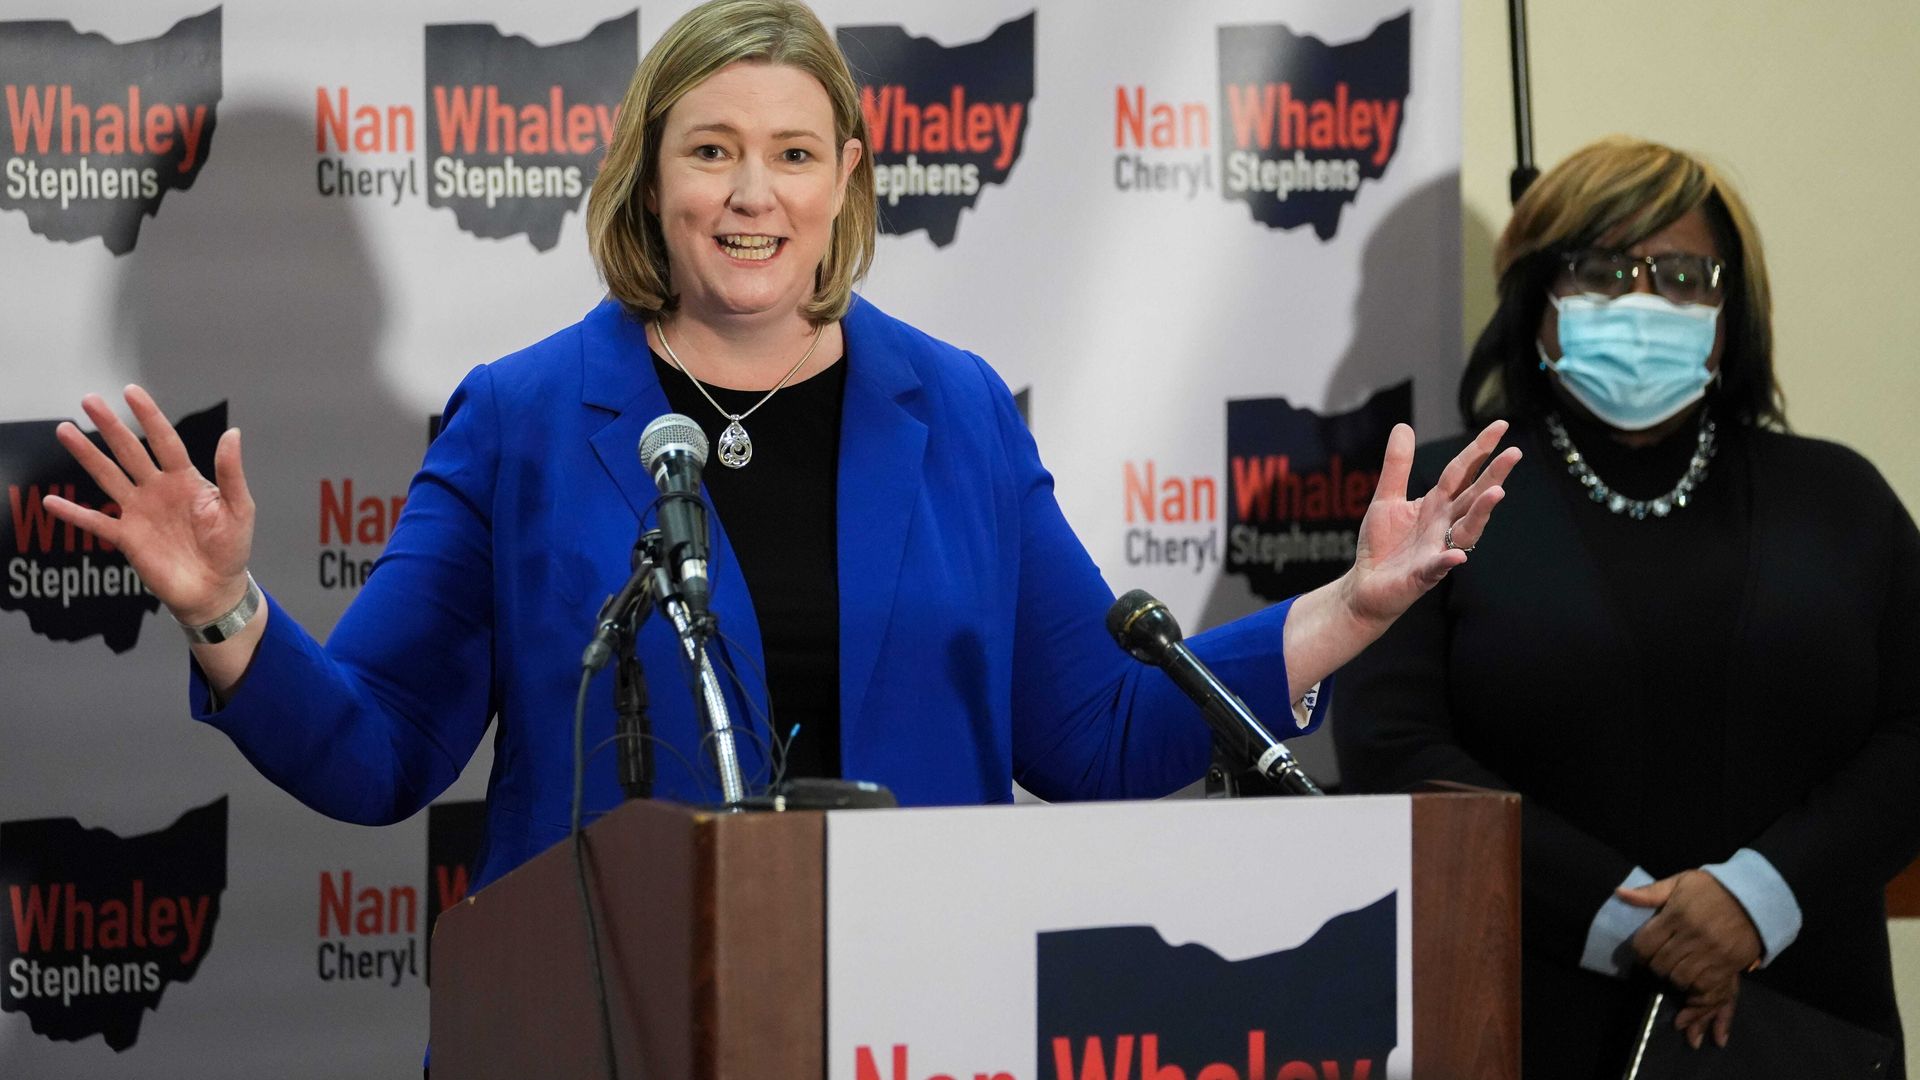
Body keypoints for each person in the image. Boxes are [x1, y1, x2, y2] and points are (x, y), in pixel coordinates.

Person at [43, 0, 1517, 900]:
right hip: (608, 1017)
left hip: (917, 1013)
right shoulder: (526, 416)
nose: (753, 194)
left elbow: (1099, 737)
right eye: (711, 149)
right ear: (651, 175)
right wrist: (226, 610)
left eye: (794, 153)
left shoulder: (959, 414)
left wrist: (1351, 610)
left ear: (847, 183)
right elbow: (377, 755)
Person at [1334, 136, 1920, 1076]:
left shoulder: (1840, 499)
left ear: (1734, 313)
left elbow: (1912, 734)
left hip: (1806, 1016)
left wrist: (1755, 901)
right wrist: (1630, 921)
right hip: (1517, 1009)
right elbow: (1393, 750)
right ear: (1538, 300)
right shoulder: (1450, 498)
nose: (1645, 300)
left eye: (1685, 273)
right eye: (1602, 270)